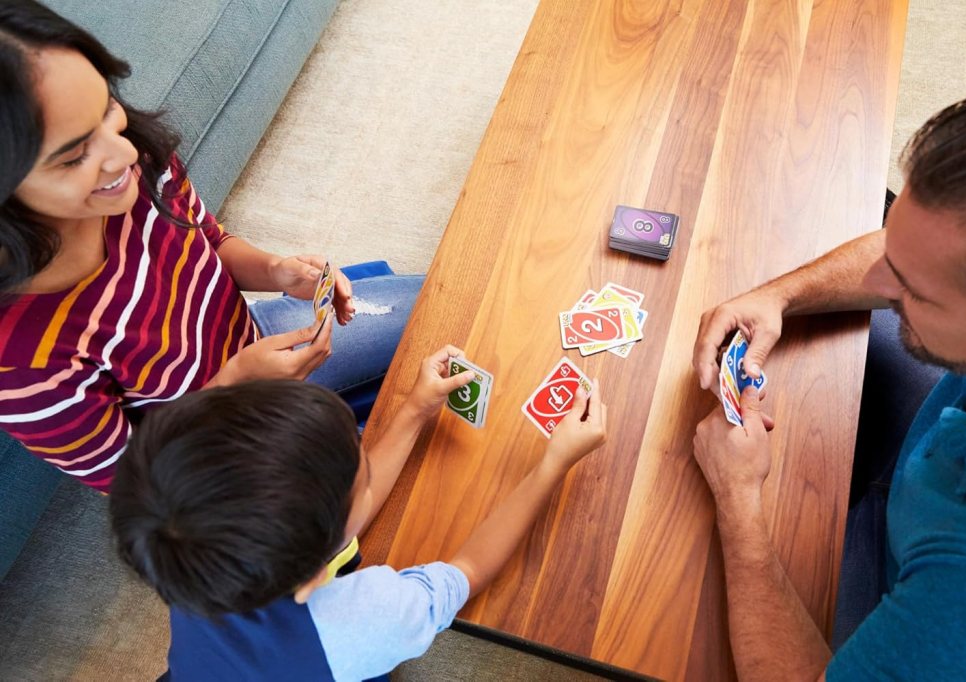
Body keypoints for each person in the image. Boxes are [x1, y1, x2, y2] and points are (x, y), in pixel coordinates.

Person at [0, 1, 421, 491]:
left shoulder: (137, 168)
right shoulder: (20, 361)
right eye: (74, 157)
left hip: (260, 343)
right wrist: (235, 386)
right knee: (393, 493)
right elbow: (134, 479)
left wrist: (275, 270)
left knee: (457, 314)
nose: (124, 152)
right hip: (214, 455)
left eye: (106, 109)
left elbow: (211, 243)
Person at [690, 87, 966, 680]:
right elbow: (929, 249)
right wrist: (779, 295)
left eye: (913, 291)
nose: (876, 280)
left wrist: (738, 500)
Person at [109, 346, 608, 680]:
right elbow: (468, 572)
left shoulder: (191, 546)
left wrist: (415, 409)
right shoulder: (372, 616)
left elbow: (327, 510)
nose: (365, 457)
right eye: (362, 473)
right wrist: (553, 464)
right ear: (313, 573)